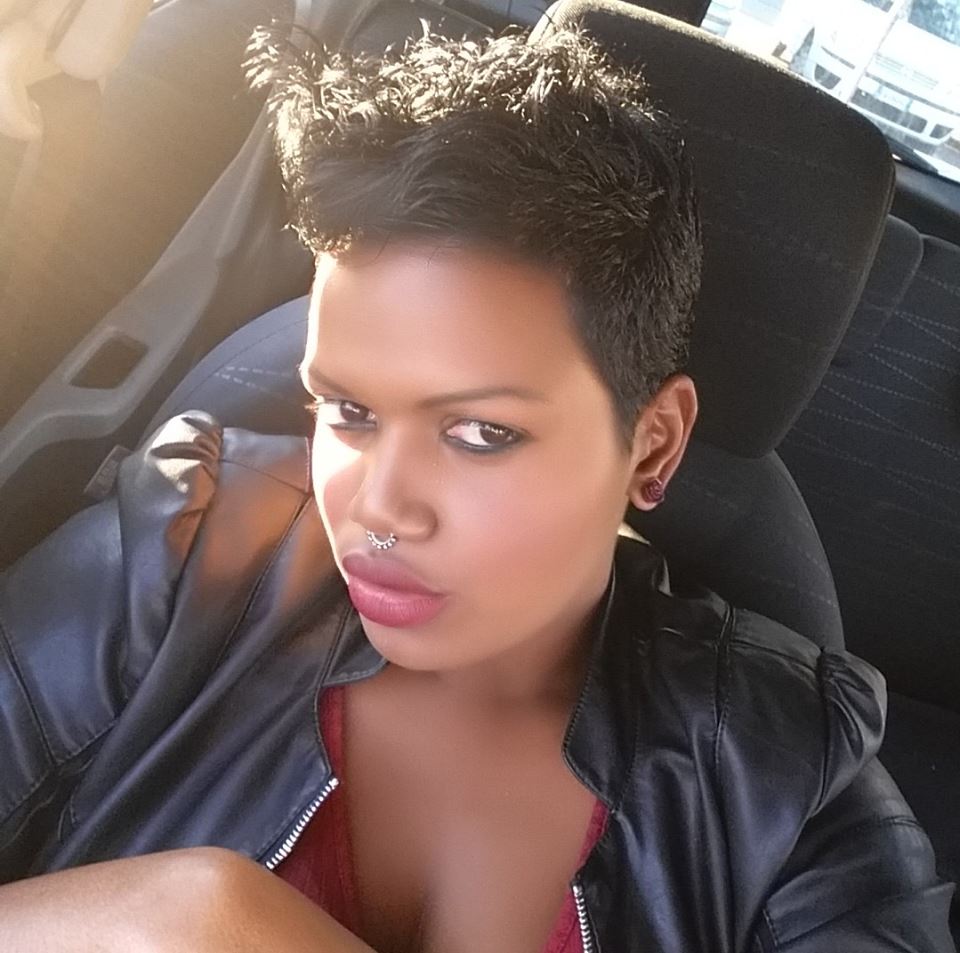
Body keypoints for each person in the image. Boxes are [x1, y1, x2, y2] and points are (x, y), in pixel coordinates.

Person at [0, 25, 954, 953]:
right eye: (348, 411)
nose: (379, 507)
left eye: (482, 432)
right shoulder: (178, 556)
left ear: (652, 445)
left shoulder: (784, 784)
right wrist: (166, 916)